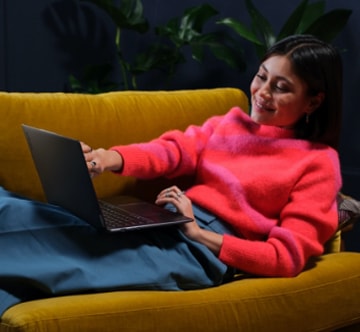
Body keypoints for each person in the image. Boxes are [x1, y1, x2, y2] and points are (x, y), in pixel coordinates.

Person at [0, 35, 343, 314]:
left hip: (201, 253)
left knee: (49, 247)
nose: (262, 92)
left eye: (281, 87)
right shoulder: (228, 124)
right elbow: (172, 150)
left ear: (313, 102)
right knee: (12, 208)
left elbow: (287, 258)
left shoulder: (319, 163)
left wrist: (199, 234)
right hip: (163, 221)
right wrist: (107, 158)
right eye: (261, 76)